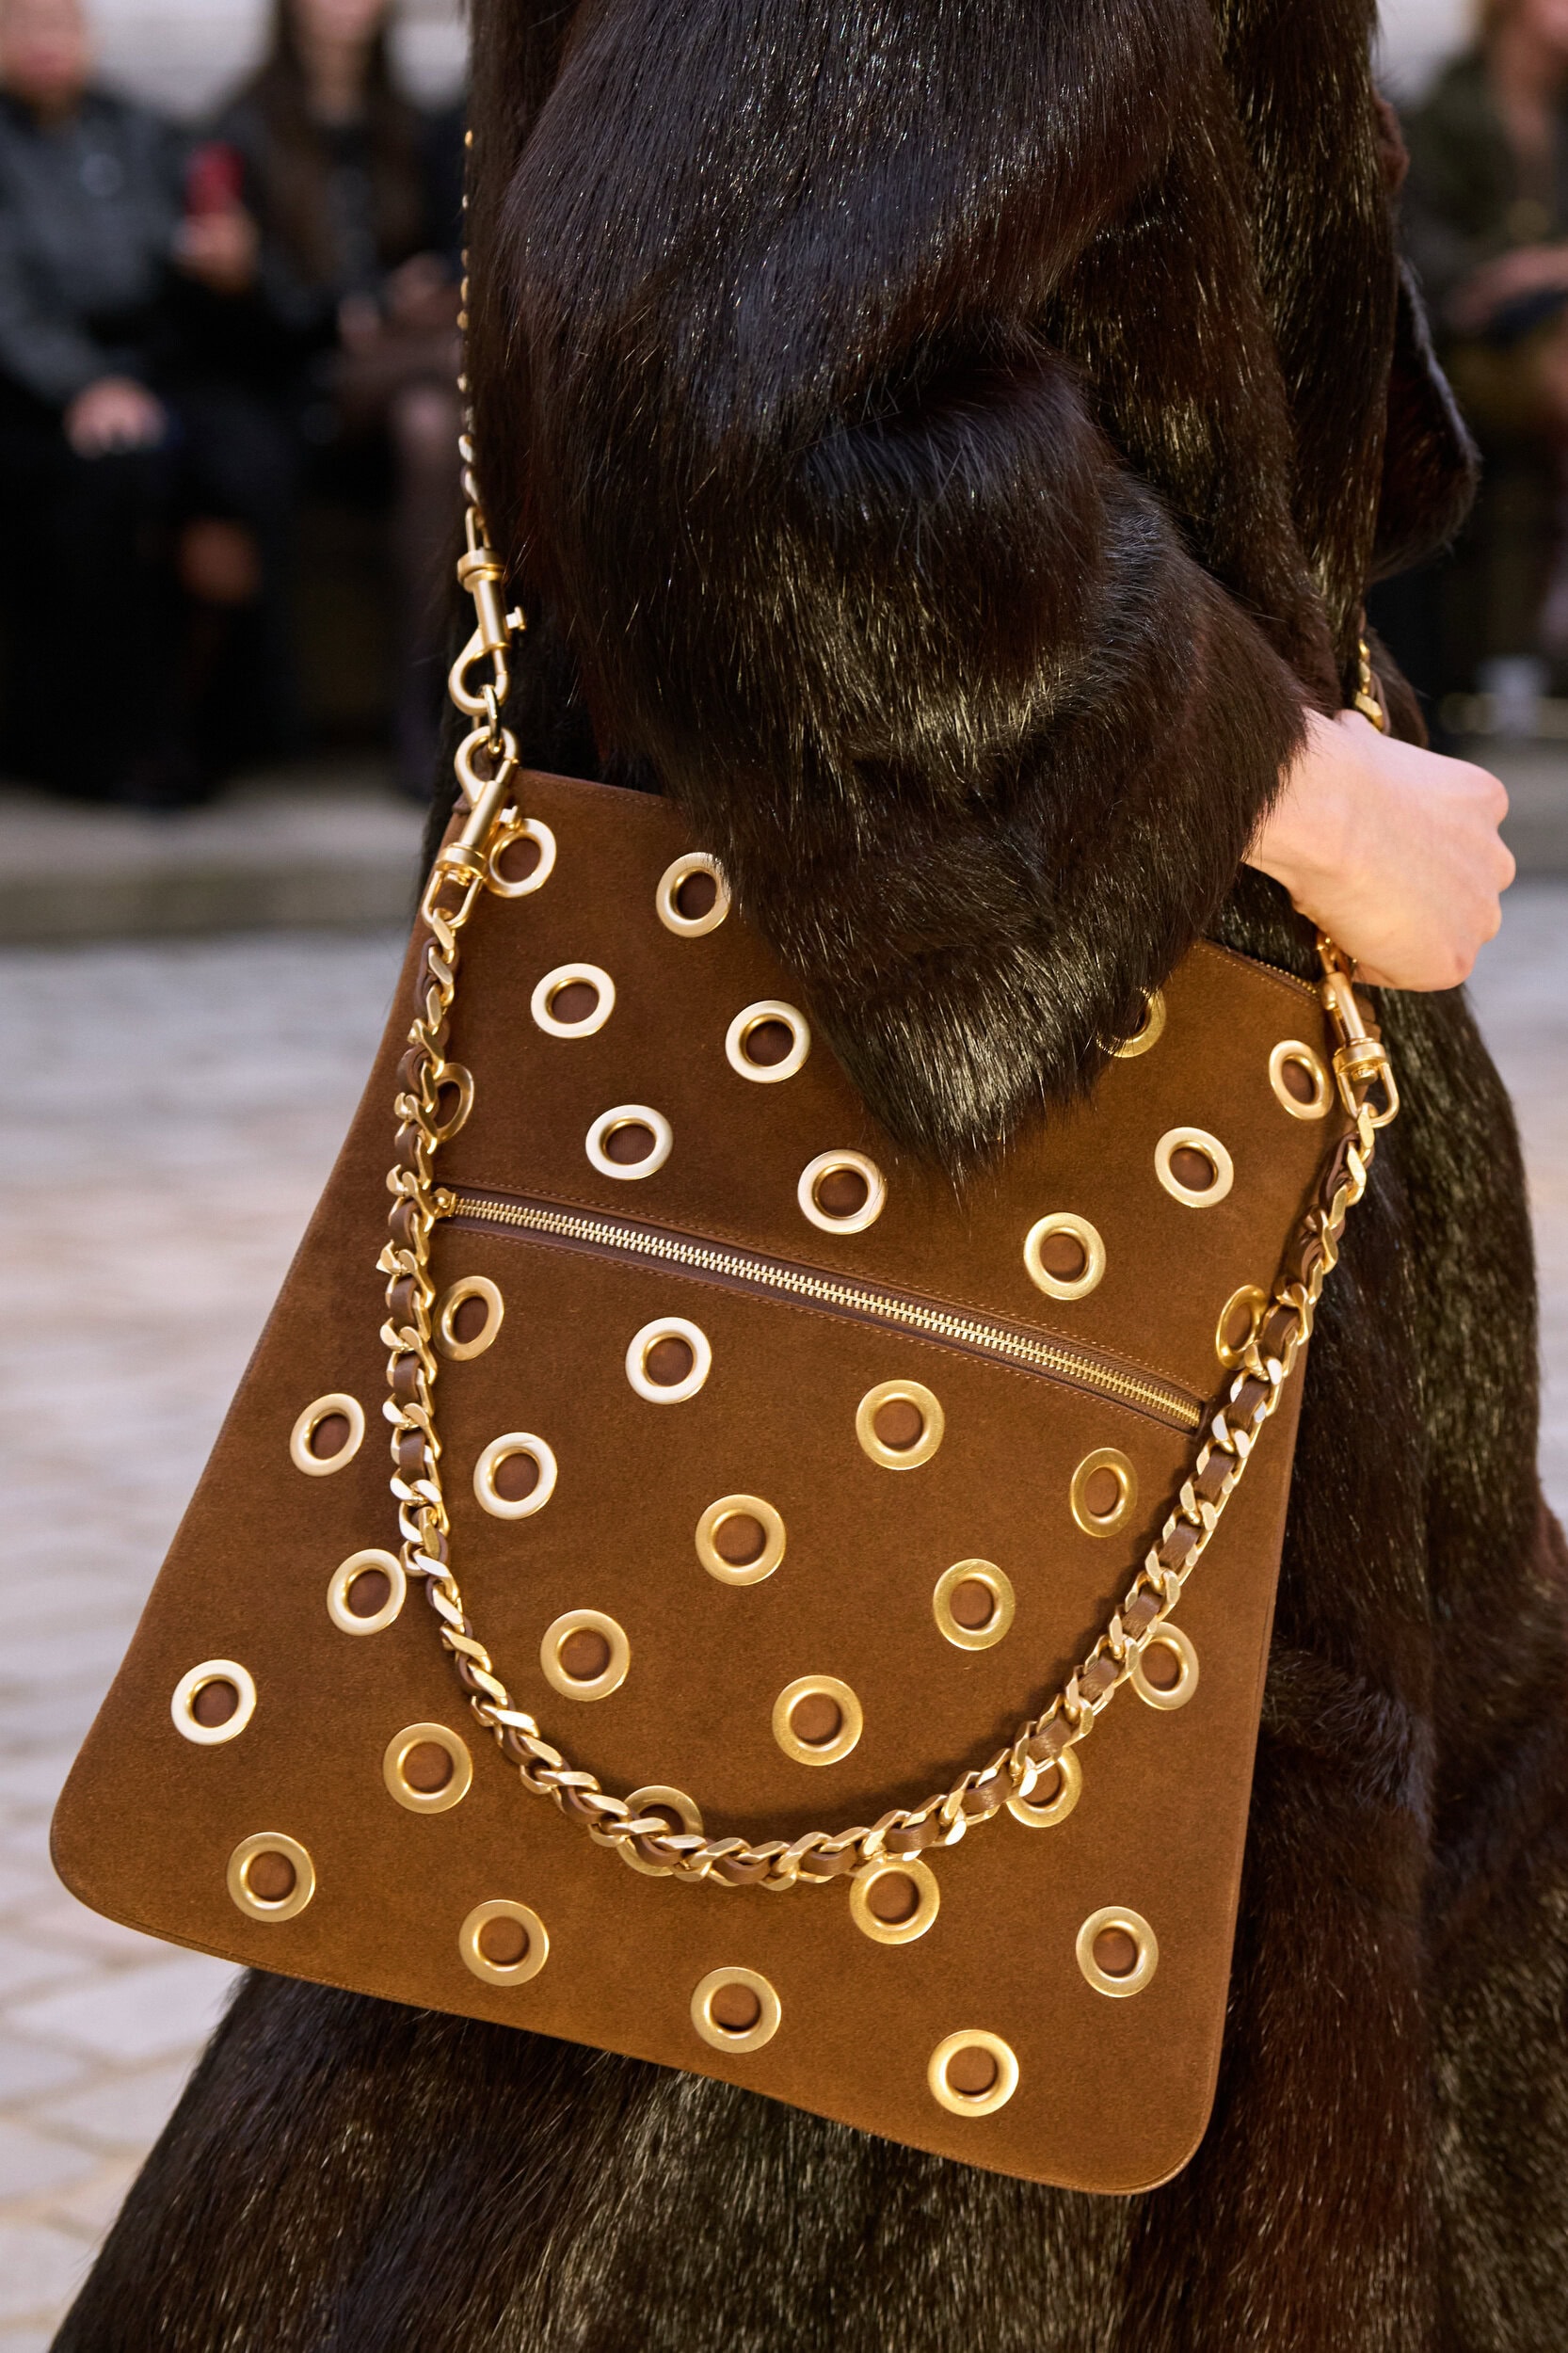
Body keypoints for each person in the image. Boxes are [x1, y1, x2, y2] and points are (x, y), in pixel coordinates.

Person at [53, 5, 1560, 2350]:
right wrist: (1276, 776)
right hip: (1035, 1158)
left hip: (1079, 1118)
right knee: (756, 2056)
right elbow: (731, 378)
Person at [0, 0, 291, 803]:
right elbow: (10, 307)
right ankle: (102, 740)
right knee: (114, 478)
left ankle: (223, 721)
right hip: (34, 391)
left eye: (61, 24)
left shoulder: (142, 130)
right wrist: (82, 383)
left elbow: (201, 252)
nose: (46, 42)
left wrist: (227, 264)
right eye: (24, 25)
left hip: (159, 374)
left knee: (246, 461)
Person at [190, 0, 464, 796]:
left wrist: (415, 292)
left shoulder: (411, 123)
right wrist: (354, 309)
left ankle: (423, 711)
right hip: (298, 388)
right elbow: (242, 301)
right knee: (456, 363)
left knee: (430, 423)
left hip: (397, 391)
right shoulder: (244, 125)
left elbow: (447, 251)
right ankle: (426, 716)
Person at [1404, 0, 1568, 684]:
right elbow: (1420, 253)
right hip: (1472, 343)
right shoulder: (1444, 110)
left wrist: (1541, 268)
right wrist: (1506, 272)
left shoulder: (1559, 115)